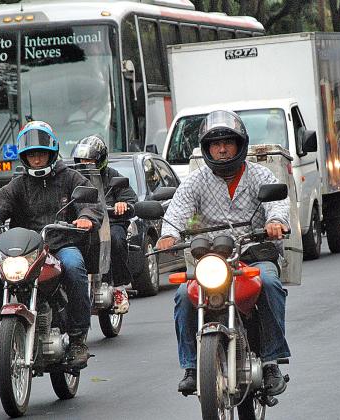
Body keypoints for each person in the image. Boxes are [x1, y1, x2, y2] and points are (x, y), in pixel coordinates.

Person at [155, 110, 291, 397]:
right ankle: (192, 367)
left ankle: (271, 361)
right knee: (182, 295)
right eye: (215, 144)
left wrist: (275, 223)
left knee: (269, 283)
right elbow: (176, 212)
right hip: (212, 258)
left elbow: (277, 206)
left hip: (253, 252)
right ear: (206, 149)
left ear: (240, 144)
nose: (222, 148)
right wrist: (168, 235)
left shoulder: (260, 174)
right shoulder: (195, 182)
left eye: (228, 142)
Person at [0, 121, 101, 368]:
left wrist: (85, 218)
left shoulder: (71, 178)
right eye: (31, 155)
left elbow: (90, 203)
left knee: (74, 267)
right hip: (24, 250)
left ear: (51, 153)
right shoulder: (18, 184)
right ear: (24, 157)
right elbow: (0, 206)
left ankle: (78, 338)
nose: (36, 159)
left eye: (40, 154)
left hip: (61, 244)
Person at [71, 135, 138, 313]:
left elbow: (130, 199)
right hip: (82, 224)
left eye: (90, 159)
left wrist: (122, 204)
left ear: (100, 159)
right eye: (82, 160)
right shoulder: (72, 178)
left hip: (111, 223)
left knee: (116, 239)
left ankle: (120, 288)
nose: (86, 163)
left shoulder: (113, 176)